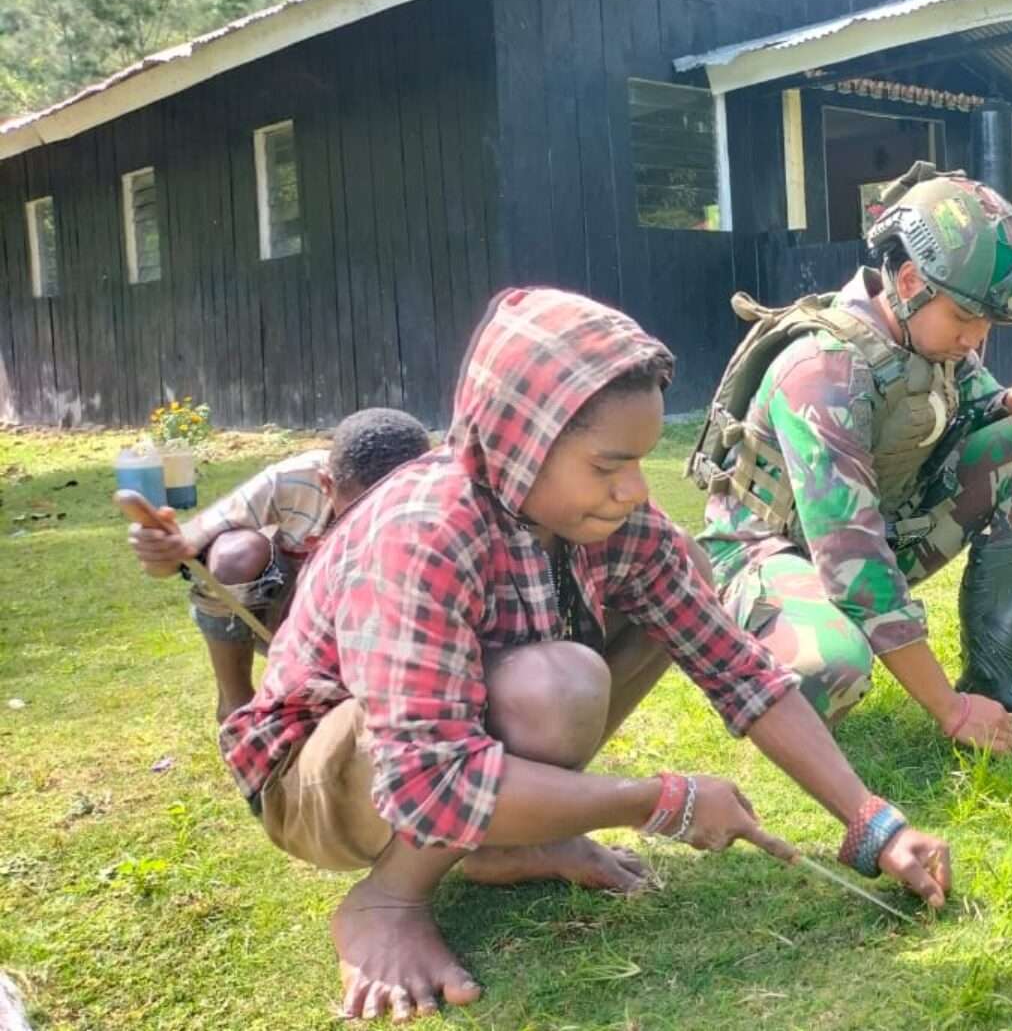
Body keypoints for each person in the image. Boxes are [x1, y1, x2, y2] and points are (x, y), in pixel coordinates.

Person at [219, 287, 951, 1023]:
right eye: (608, 466)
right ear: (520, 442)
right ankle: (388, 897)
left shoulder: (616, 524)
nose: (633, 490)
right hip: (317, 779)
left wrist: (871, 821)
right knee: (554, 687)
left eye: (639, 461)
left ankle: (506, 846)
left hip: (435, 753)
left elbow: (738, 670)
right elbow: (427, 783)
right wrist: (662, 801)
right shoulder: (424, 534)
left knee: (685, 576)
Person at [689, 163, 1012, 755]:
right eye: (966, 318)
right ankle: (761, 666)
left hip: (870, 532)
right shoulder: (825, 370)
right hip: (767, 553)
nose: (976, 338)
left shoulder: (925, 339)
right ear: (910, 281)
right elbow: (854, 566)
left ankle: (1000, 676)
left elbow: (984, 406)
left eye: (988, 322)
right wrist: (950, 710)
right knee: (828, 667)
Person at [127, 407, 431, 720]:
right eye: (357, 511)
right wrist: (160, 549)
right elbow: (174, 560)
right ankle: (236, 708)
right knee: (235, 554)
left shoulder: (447, 493)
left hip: (399, 628)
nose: (370, 526)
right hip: (296, 625)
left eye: (391, 510)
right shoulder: (292, 480)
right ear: (326, 484)